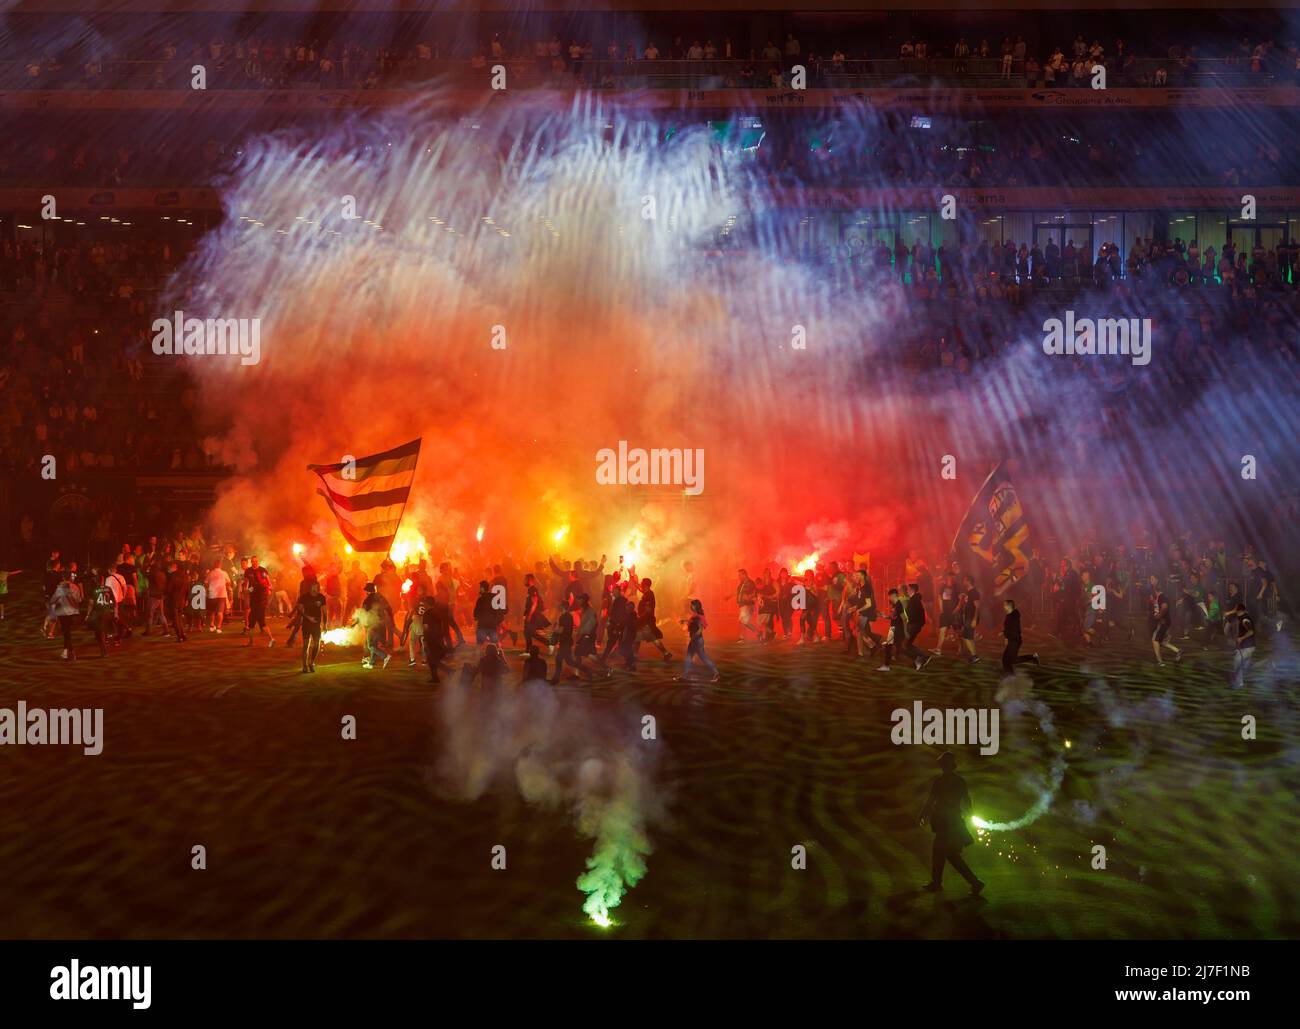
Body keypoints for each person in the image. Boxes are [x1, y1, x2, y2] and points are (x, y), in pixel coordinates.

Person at [919, 752, 985, 895]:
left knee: (945, 854)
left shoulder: (941, 781)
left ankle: (973, 882)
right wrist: (970, 814)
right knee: (945, 854)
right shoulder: (958, 781)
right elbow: (967, 801)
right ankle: (970, 882)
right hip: (953, 823)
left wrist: (922, 815)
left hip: (946, 824)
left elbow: (931, 801)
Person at [675, 598, 720, 682]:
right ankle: (685, 675)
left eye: (693, 605)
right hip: (696, 640)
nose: (691, 606)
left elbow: (700, 628)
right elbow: (692, 622)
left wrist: (695, 636)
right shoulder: (696, 615)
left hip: (696, 640)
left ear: (696, 606)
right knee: (692, 657)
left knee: (701, 658)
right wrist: (684, 621)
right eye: (691, 605)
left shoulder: (699, 615)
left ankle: (716, 674)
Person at [634, 577, 672, 662]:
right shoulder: (647, 593)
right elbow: (639, 588)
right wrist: (631, 575)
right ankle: (666, 653)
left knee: (640, 637)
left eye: (642, 583)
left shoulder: (649, 595)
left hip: (646, 621)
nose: (640, 584)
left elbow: (648, 610)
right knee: (643, 637)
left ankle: (635, 655)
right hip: (645, 621)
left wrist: (639, 618)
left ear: (646, 585)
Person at [295, 579, 328, 673]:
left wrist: (325, 624)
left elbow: (325, 612)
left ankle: (311, 662)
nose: (317, 589)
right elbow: (300, 610)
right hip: (306, 624)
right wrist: (309, 618)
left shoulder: (321, 597)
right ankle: (304, 665)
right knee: (306, 645)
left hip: (317, 625)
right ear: (310, 588)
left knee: (316, 644)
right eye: (314, 587)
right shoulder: (304, 597)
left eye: (318, 587)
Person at [357, 583, 392, 670]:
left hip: (372, 624)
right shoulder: (380, 597)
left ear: (368, 591)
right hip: (381, 624)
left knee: (370, 645)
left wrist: (357, 622)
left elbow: (363, 612)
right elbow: (388, 608)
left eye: (366, 590)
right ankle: (371, 663)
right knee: (374, 644)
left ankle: (385, 656)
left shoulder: (367, 600)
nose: (365, 592)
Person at [1000, 598, 1039, 673]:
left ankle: (1033, 657)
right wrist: (1003, 632)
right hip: (1013, 640)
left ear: (1009, 606)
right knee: (1006, 660)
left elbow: (1014, 629)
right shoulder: (1010, 615)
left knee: (1011, 660)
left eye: (1004, 605)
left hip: (1014, 640)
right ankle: (1010, 677)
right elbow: (1009, 627)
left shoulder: (1012, 616)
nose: (1003, 606)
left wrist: (1006, 638)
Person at [49, 572, 82, 659]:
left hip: (63, 611)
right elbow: (79, 599)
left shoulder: (60, 588)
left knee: (66, 632)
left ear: (63, 578)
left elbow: (53, 599)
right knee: (67, 632)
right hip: (73, 612)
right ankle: (65, 651)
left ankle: (71, 651)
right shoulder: (75, 587)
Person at [244, 556, 275, 647]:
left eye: (256, 561)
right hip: (255, 602)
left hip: (260, 602)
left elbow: (268, 584)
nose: (255, 563)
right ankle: (252, 642)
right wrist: (247, 591)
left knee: (259, 623)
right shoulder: (248, 572)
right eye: (253, 561)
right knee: (255, 622)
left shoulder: (262, 574)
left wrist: (269, 589)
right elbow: (247, 584)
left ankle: (270, 639)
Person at [902, 583, 933, 670]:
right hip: (914, 624)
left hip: (914, 625)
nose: (907, 590)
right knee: (907, 644)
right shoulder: (914, 599)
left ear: (912, 590)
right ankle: (919, 660)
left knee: (906, 644)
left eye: (908, 589)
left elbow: (917, 612)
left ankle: (922, 657)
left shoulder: (915, 600)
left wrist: (909, 621)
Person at [1150, 590, 1182, 666]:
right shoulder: (1160, 597)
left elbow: (1164, 608)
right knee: (1163, 641)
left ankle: (1160, 662)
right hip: (1165, 622)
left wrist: (1159, 617)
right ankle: (1178, 651)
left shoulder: (1162, 596)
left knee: (1155, 640)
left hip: (1163, 622)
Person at [1229, 601, 1254, 689]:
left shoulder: (1244, 619)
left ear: (1239, 610)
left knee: (1238, 664)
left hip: (1246, 647)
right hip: (1247, 647)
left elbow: (1251, 631)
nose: (1234, 609)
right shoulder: (1242, 618)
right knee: (1245, 666)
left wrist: (1241, 638)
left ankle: (1239, 683)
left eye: (1236, 608)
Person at [164, 560, 189, 642]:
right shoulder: (185, 576)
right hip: (182, 599)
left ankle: (179, 636)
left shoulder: (174, 576)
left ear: (176, 567)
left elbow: (169, 589)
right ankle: (183, 635)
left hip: (174, 599)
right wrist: (186, 599)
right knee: (180, 618)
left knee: (175, 619)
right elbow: (187, 589)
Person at [734, 568, 761, 642]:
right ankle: (758, 633)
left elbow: (754, 593)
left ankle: (742, 638)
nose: (739, 577)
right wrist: (729, 597)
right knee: (745, 622)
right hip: (743, 605)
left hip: (747, 605)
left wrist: (748, 597)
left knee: (742, 621)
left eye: (740, 575)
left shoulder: (749, 583)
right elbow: (739, 593)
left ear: (744, 575)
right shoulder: (742, 583)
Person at [205, 560, 231, 633]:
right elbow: (229, 582)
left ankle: (212, 626)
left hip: (212, 594)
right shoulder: (224, 573)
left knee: (212, 612)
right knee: (220, 612)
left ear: (214, 565)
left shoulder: (210, 573)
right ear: (221, 565)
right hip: (221, 594)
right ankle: (219, 628)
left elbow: (206, 583)